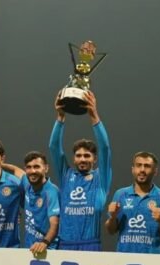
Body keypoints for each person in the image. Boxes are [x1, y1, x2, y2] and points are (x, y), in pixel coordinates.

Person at [48, 90, 112, 251]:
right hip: (65, 244)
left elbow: (105, 147)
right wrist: (60, 117)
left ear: (95, 159)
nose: (82, 159)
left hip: (90, 245)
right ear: (74, 158)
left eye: (87, 156)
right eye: (78, 156)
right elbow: (54, 147)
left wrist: (94, 115)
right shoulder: (66, 175)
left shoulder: (101, 179)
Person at [105, 151, 160, 253]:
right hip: (124, 257)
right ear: (133, 169)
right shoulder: (120, 194)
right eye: (138, 165)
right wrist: (113, 217)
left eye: (147, 166)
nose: (142, 170)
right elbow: (111, 231)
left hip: (153, 258)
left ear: (155, 171)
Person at [2, 152, 61, 255]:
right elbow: (15, 170)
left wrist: (44, 242)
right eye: (29, 167)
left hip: (48, 251)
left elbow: (55, 223)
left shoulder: (51, 192)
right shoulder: (27, 183)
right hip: (30, 249)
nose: (32, 171)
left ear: (46, 168)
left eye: (36, 167)